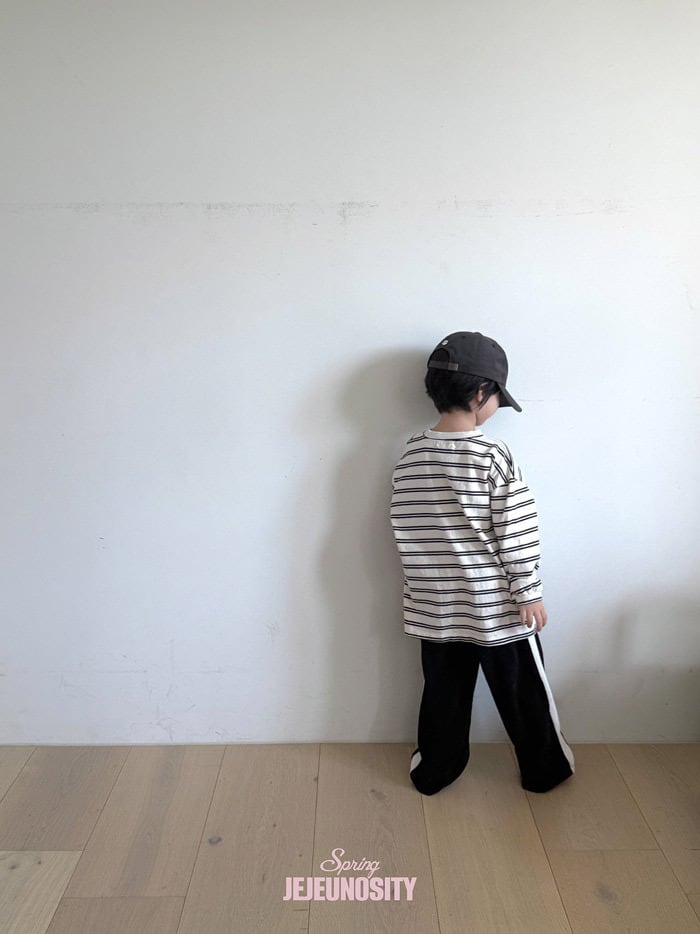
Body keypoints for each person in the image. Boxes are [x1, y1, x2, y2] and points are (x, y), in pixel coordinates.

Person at [390, 331, 574, 795]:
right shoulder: (492, 454)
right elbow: (516, 529)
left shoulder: (411, 454)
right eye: (497, 399)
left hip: (435, 605)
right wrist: (528, 591)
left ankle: (435, 771)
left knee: (443, 694)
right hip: (497, 606)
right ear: (479, 394)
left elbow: (406, 526)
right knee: (523, 691)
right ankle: (545, 770)